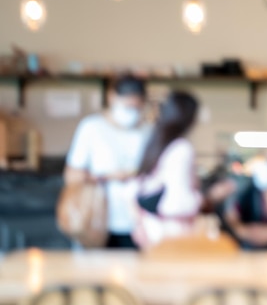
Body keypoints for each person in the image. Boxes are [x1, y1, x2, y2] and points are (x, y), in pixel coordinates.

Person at [132, 90, 233, 249]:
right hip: (173, 232)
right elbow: (179, 202)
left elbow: (137, 189)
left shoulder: (156, 143)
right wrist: (211, 197)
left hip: (152, 228)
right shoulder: (181, 148)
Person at [64, 75, 152, 249]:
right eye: (127, 106)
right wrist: (109, 176)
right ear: (112, 98)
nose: (131, 112)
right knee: (97, 273)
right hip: (99, 221)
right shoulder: (92, 128)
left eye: (136, 107)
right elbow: (72, 176)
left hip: (139, 223)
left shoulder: (148, 131)